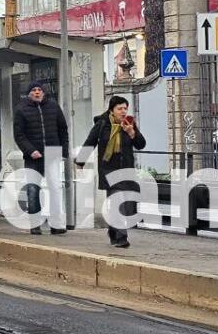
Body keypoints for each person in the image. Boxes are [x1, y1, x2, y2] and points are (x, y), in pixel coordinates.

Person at [82, 95, 147, 248]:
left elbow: (141, 144)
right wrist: (80, 161)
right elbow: (90, 142)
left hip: (126, 170)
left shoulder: (129, 124)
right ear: (112, 110)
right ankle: (122, 237)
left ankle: (113, 232)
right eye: (120, 108)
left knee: (124, 203)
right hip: (109, 170)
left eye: (125, 108)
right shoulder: (102, 124)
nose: (123, 111)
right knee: (118, 202)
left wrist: (132, 133)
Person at [13, 81, 70, 235]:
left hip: (52, 153)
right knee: (33, 189)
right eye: (34, 90)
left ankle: (56, 224)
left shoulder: (53, 107)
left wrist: (64, 151)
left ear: (44, 93)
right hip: (33, 156)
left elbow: (63, 129)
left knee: (55, 188)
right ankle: (35, 224)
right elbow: (19, 135)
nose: (37, 92)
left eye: (39, 90)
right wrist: (31, 150)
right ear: (29, 93)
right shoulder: (21, 110)